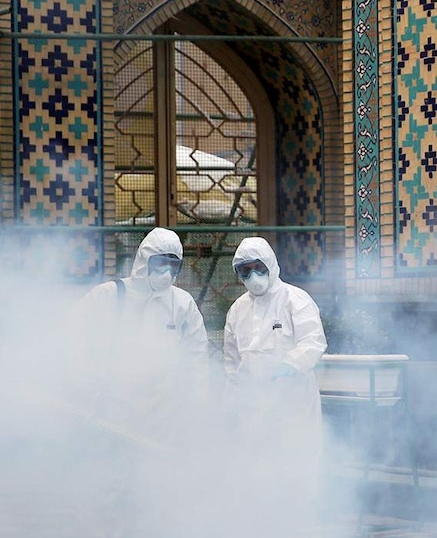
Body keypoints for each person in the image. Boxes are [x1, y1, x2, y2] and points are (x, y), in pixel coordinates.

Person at [69, 226, 211, 537]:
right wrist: (85, 388)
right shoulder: (110, 296)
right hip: (114, 415)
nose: (167, 272)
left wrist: (197, 407)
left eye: (174, 265)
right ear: (143, 260)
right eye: (161, 263)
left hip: (164, 418)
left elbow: (197, 359)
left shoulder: (182, 303)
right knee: (113, 487)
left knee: (159, 488)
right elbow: (73, 338)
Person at [222, 236, 328, 538]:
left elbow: (313, 342)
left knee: (296, 465)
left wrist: (288, 366)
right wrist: (232, 397)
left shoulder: (296, 300)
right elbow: (231, 359)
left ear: (270, 265)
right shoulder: (237, 310)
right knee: (256, 468)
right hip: (253, 405)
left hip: (292, 402)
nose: (253, 276)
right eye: (245, 271)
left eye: (258, 268)